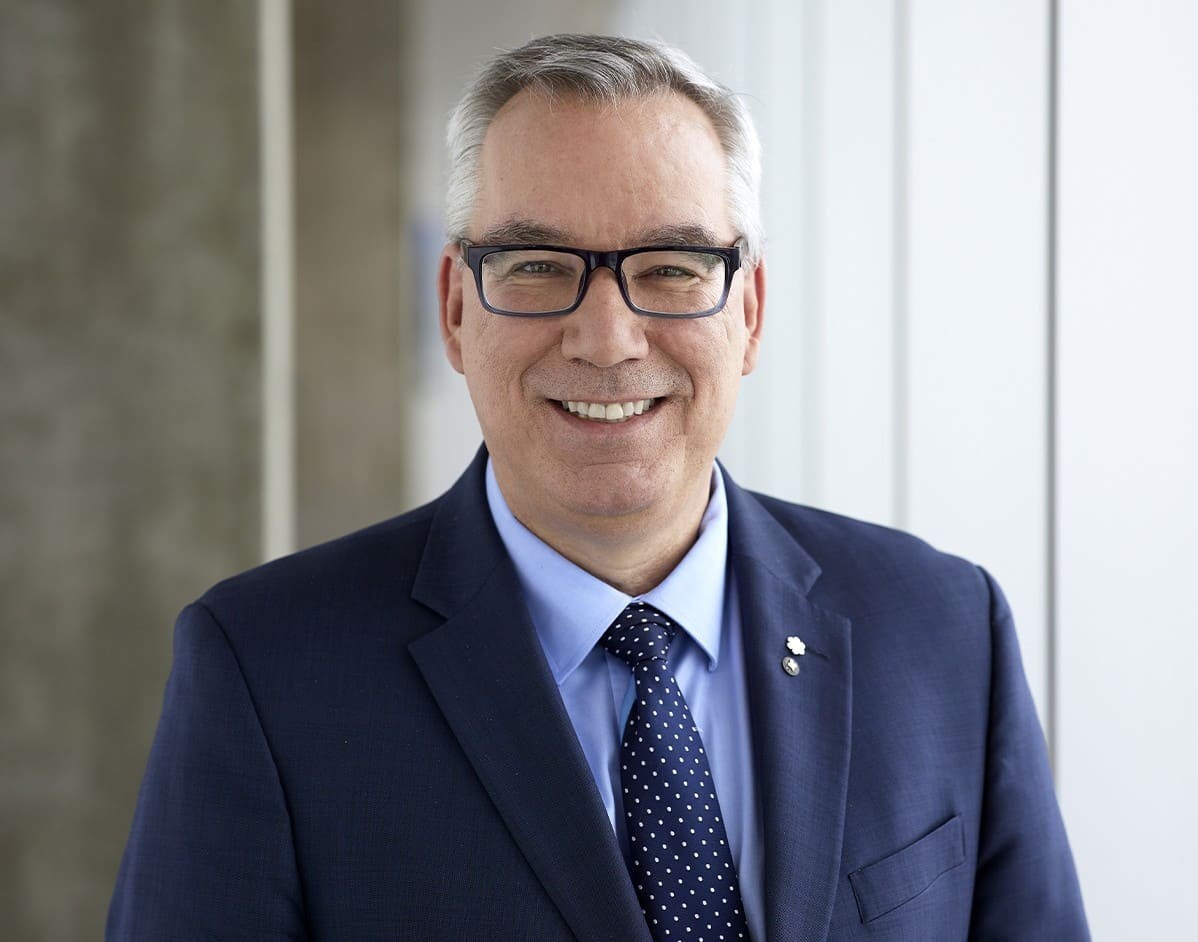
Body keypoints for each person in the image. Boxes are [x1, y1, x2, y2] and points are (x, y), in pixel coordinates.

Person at [108, 34, 1089, 941]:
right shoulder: (268, 672)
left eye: (669, 267)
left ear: (747, 313)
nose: (607, 337)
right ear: (456, 309)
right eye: (538, 266)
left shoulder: (944, 629)